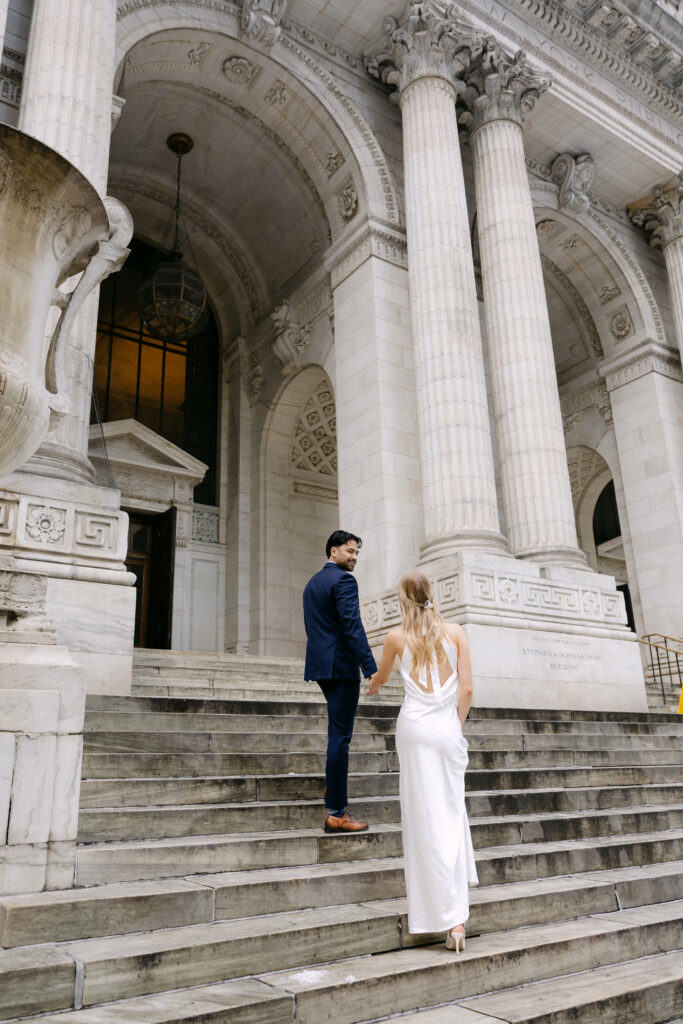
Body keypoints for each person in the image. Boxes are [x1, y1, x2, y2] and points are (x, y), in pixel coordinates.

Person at [367, 571, 478, 951]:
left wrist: (375, 684)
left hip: (414, 729)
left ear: (403, 602)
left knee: (423, 820)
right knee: (450, 815)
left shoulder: (396, 638)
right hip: (447, 730)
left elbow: (380, 676)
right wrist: (454, 727)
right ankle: (457, 923)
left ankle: (435, 912)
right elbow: (466, 689)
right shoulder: (457, 632)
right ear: (432, 595)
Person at [303, 529, 378, 834]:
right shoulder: (344, 580)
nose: (355, 558)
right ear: (333, 551)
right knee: (340, 738)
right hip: (341, 666)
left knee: (337, 733)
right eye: (350, 551)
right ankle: (336, 813)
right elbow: (352, 626)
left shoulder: (312, 583)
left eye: (357, 553)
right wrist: (369, 666)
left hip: (321, 665)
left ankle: (332, 791)